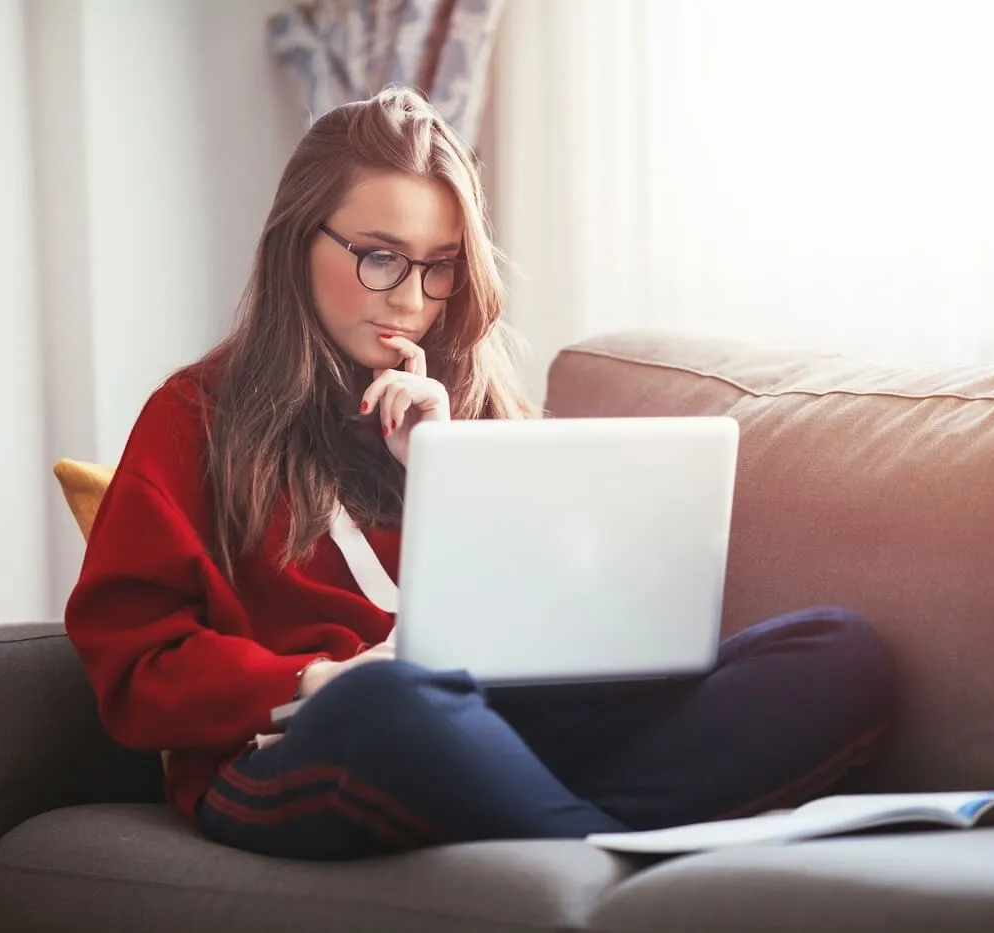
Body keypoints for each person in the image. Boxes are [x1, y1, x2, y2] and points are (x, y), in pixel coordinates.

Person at [64, 86, 894, 861]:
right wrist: (317, 678)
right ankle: (603, 853)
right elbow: (135, 668)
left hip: (508, 729)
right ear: (295, 241)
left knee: (839, 652)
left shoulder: (473, 404)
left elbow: (553, 616)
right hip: (307, 744)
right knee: (392, 702)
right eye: (380, 257)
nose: (411, 299)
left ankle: (567, 833)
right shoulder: (195, 416)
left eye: (439, 265)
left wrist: (439, 468)